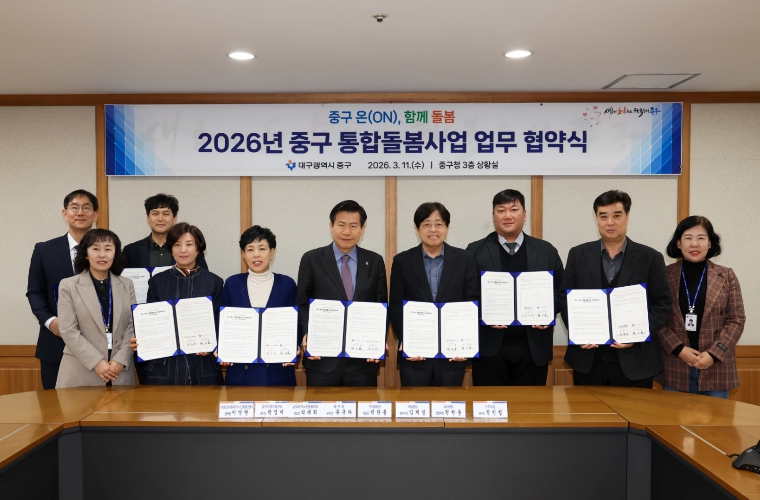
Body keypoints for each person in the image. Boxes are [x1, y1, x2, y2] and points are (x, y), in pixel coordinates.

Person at [560, 190, 671, 388]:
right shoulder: (578, 254)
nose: (609, 222)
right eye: (603, 216)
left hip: (636, 361)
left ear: (627, 217)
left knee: (634, 409)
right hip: (588, 361)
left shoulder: (650, 257)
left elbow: (662, 304)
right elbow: (564, 299)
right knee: (588, 409)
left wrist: (638, 334)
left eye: (616, 215)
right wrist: (579, 333)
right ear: (596, 219)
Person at [466, 189, 565, 386]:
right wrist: (482, 314)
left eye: (514, 209)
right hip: (489, 348)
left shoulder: (546, 251)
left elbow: (561, 291)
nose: (507, 215)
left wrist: (548, 313)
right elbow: (466, 294)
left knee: (530, 405)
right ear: (493, 216)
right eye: (501, 210)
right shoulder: (474, 251)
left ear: (524, 214)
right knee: (490, 404)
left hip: (534, 347)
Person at [296, 200, 387, 386]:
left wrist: (378, 340)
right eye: (341, 225)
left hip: (363, 361)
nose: (347, 232)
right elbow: (302, 304)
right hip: (322, 359)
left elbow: (381, 306)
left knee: (363, 405)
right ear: (331, 226)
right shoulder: (311, 259)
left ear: (362, 229)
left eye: (353, 226)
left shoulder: (375, 261)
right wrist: (306, 334)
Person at [389, 202, 479, 386]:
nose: (433, 229)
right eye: (426, 224)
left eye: (439, 224)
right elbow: (396, 305)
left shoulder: (464, 259)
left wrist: (465, 342)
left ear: (447, 227)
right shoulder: (402, 261)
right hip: (415, 355)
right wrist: (407, 339)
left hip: (453, 355)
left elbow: (472, 301)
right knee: (415, 404)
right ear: (417, 229)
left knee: (450, 402)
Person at [656, 216, 745, 398]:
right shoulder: (664, 275)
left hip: (716, 367)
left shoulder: (726, 276)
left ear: (710, 243)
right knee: (673, 417)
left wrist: (714, 354)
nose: (694, 244)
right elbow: (656, 317)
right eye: (688, 238)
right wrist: (679, 349)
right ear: (678, 243)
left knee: (716, 418)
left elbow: (736, 320)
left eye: (701, 238)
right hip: (675, 365)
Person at [130, 223, 224, 385]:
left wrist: (212, 343)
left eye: (189, 244)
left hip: (203, 367)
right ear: (171, 249)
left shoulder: (214, 282)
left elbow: (219, 322)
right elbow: (151, 322)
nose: (183, 250)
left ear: (198, 248)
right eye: (177, 245)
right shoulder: (157, 282)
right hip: (165, 368)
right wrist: (142, 340)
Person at [27, 189, 99, 389]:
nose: (80, 212)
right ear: (65, 214)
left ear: (95, 215)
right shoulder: (44, 250)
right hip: (55, 344)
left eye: (86, 208)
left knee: (100, 405)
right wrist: (51, 322)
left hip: (99, 347)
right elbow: (35, 292)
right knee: (55, 405)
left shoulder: (107, 250)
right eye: (74, 207)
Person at [56, 229, 136, 388]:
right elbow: (68, 329)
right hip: (80, 372)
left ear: (115, 253)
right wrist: (97, 362)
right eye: (95, 249)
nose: (102, 255)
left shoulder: (127, 285)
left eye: (108, 249)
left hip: (119, 372)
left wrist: (120, 359)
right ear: (85, 254)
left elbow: (132, 325)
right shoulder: (68, 285)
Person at [219, 225, 298, 386]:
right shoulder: (232, 283)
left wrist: (294, 347)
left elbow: (296, 324)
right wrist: (222, 348)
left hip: (278, 373)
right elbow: (222, 324)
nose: (256, 254)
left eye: (262, 248)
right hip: (240, 374)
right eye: (250, 249)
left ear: (272, 252)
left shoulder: (287, 284)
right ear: (243, 254)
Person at [122, 193, 208, 270]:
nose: (160, 219)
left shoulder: (191, 250)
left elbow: (204, 278)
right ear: (148, 218)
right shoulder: (130, 251)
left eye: (166, 214)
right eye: (155, 214)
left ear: (174, 219)